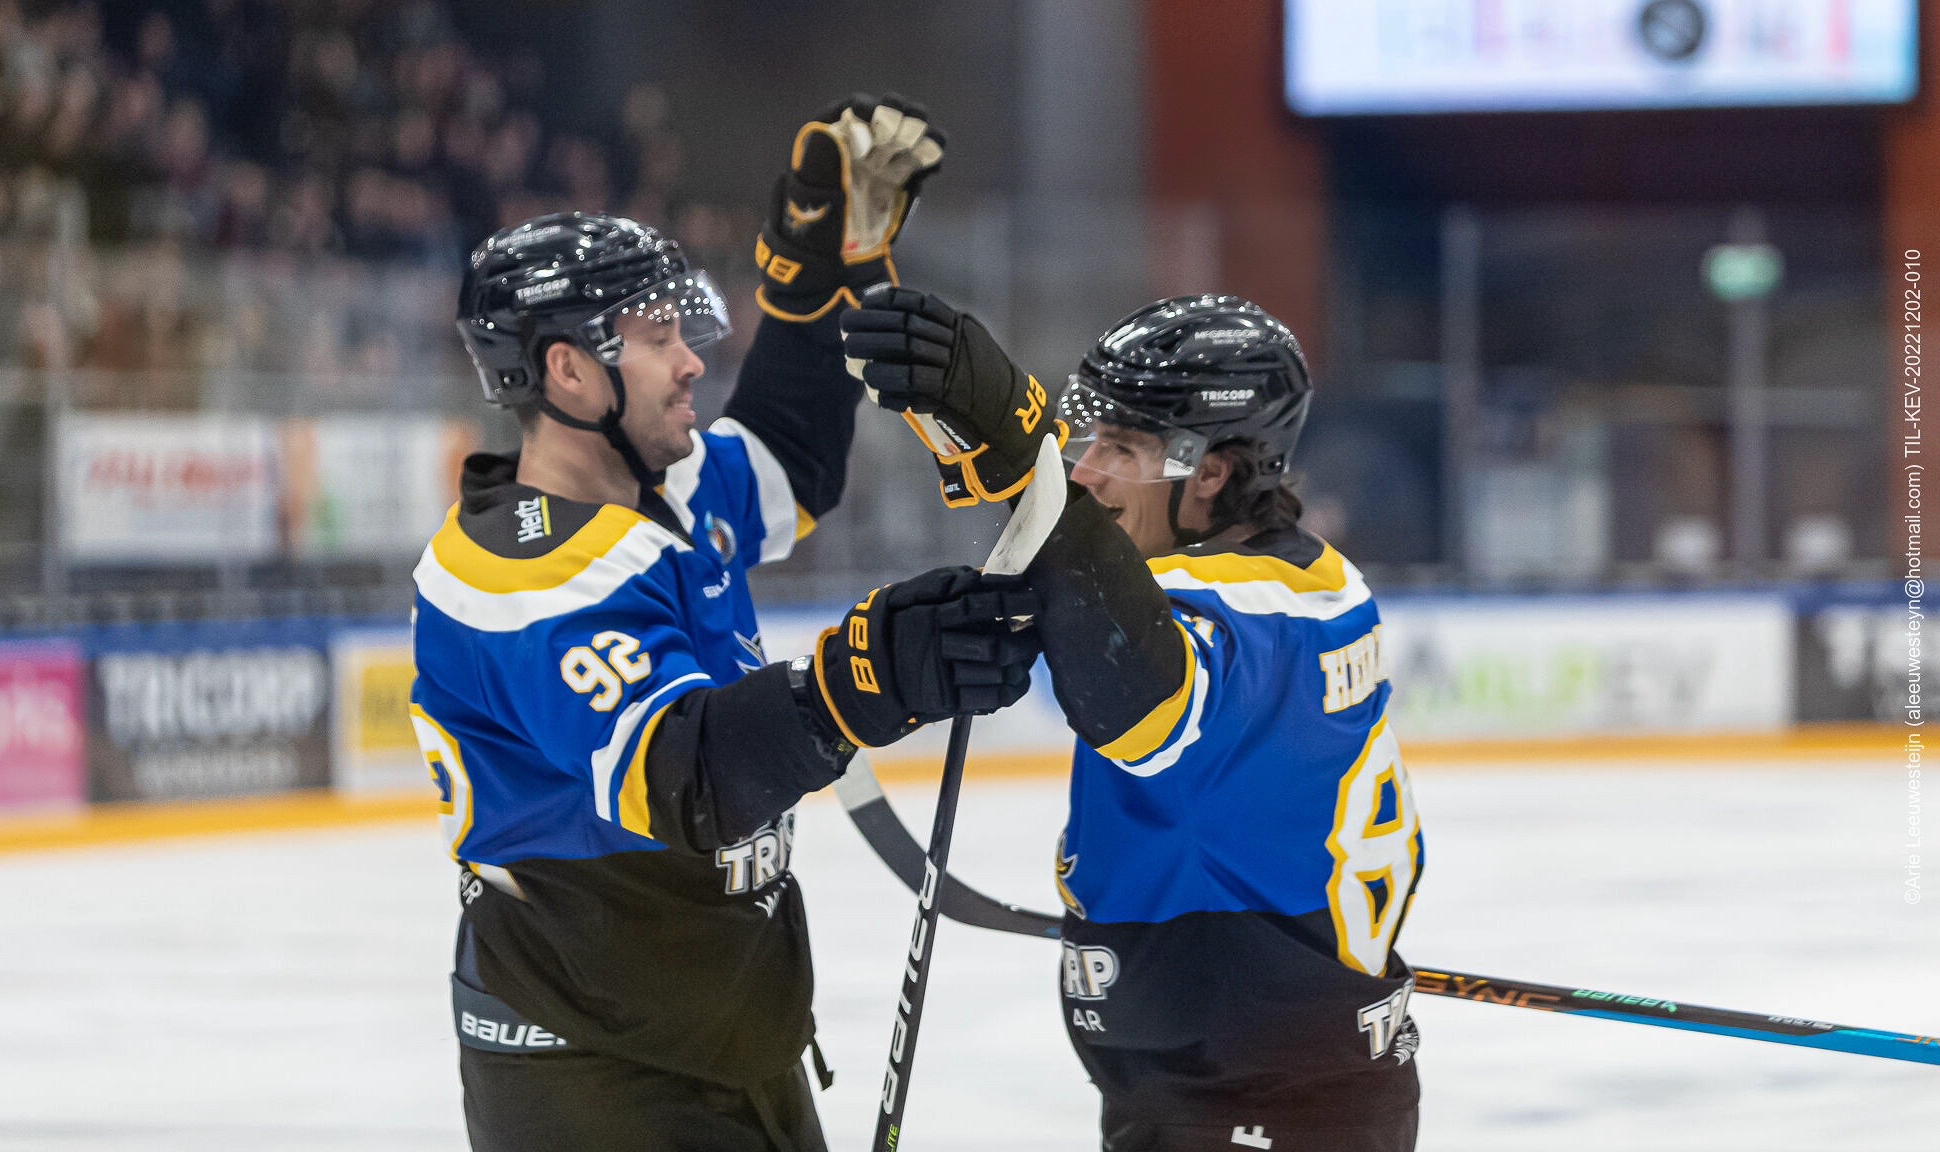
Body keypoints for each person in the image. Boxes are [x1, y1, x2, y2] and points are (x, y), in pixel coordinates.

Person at [412, 96, 1040, 1152]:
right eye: (658, 338)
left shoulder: (661, 487)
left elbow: (794, 452)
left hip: (716, 1034)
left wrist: (826, 271)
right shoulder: (513, 571)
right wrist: (869, 677)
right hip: (594, 1076)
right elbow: (685, 776)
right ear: (567, 370)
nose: (692, 360)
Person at [842, 288, 1425, 1151]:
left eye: (1122, 446)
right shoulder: (1276, 581)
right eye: (1088, 441)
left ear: (1215, 473)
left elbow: (1145, 701)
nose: (1084, 470)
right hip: (1242, 1078)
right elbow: (1101, 597)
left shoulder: (1266, 602)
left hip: (1263, 1105)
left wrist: (1013, 447)